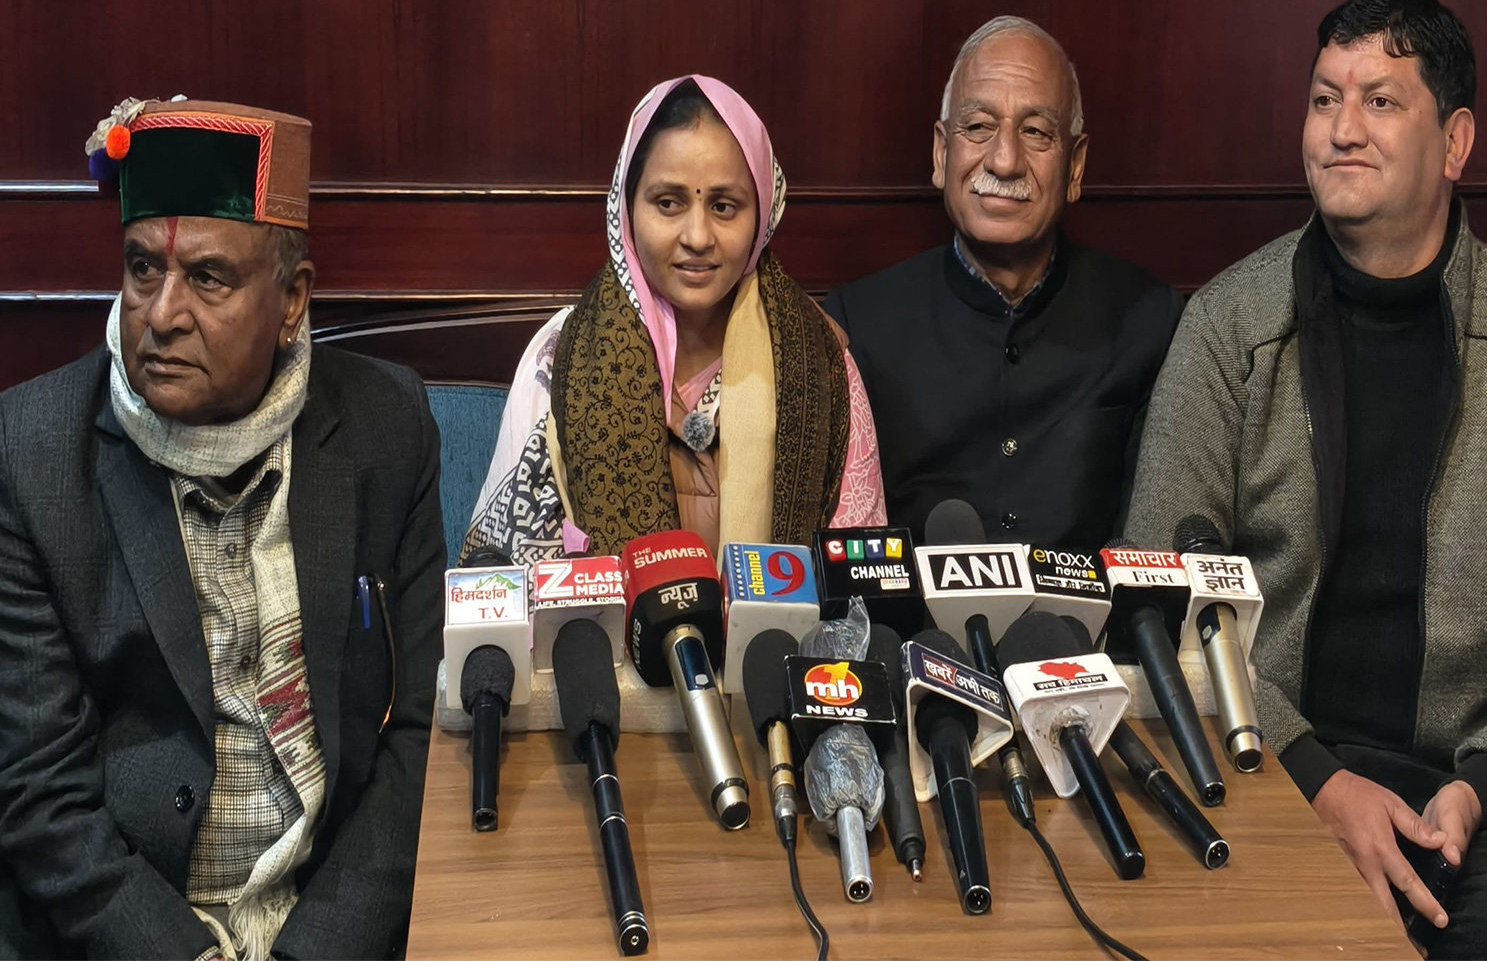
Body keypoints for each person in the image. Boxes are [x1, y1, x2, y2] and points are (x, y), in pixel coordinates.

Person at [1127, 0, 1487, 957]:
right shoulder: (1227, 330)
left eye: (1380, 101)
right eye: (1322, 99)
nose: (1341, 130)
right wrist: (1317, 779)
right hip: (1263, 769)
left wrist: (1484, 786)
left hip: (1465, 803)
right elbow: (1161, 591)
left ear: (1455, 141)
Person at [0, 99, 447, 960]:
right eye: (140, 270)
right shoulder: (31, 454)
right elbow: (39, 794)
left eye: (208, 279)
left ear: (292, 302)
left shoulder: (388, 427)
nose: (161, 315)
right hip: (125, 932)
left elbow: (418, 735)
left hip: (333, 919)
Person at [463, 75, 885, 566]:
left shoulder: (820, 365)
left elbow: (861, 587)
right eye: (669, 203)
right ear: (626, 207)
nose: (698, 236)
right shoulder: (559, 360)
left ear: (763, 215)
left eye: (724, 206)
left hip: (784, 644)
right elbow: (505, 578)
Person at [824, 16, 1182, 550]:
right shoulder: (860, 325)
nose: (1005, 159)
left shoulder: (1149, 322)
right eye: (978, 127)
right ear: (943, 153)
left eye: (1036, 131)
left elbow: (1151, 546)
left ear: (1077, 165)